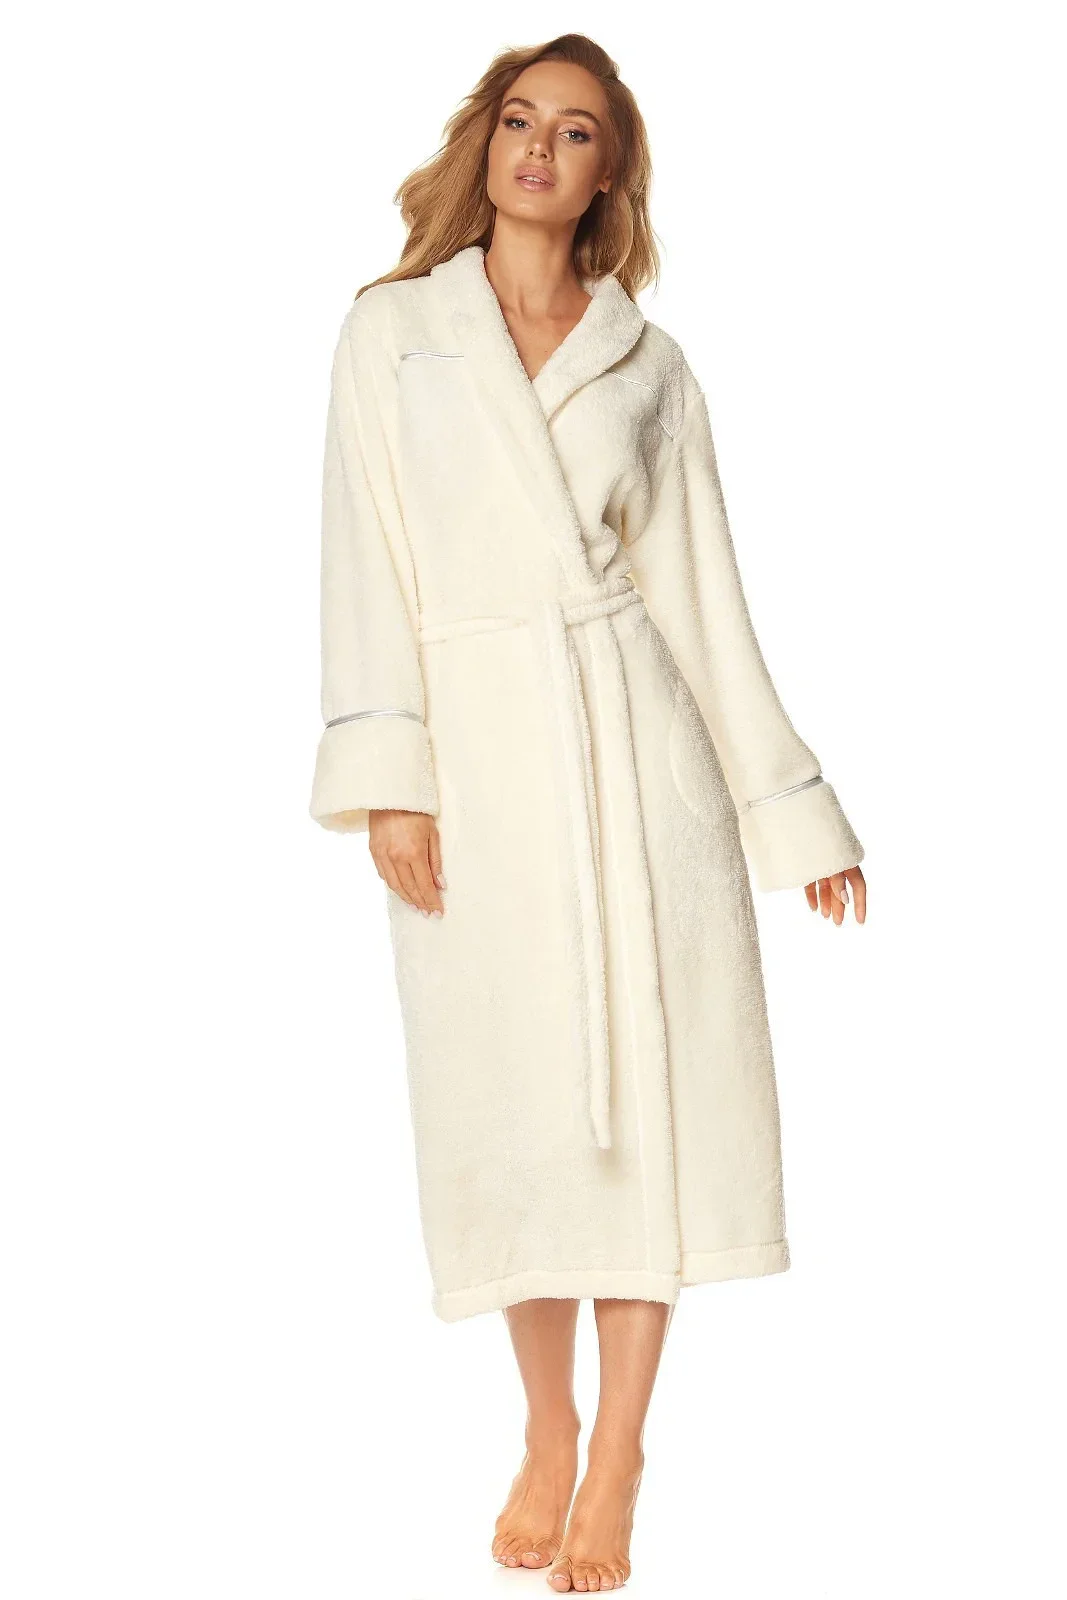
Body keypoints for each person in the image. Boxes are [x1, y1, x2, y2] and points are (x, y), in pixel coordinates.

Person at [308, 32, 867, 1594]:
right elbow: (363, 561)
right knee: (515, 1111)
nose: (537, 149)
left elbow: (702, 600)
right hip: (479, 770)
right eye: (517, 120)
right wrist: (390, 779)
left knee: (653, 1110)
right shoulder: (393, 336)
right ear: (482, 144)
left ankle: (617, 1448)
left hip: (637, 761)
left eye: (572, 130)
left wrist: (791, 811)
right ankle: (543, 1425)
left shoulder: (649, 365)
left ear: (608, 168)